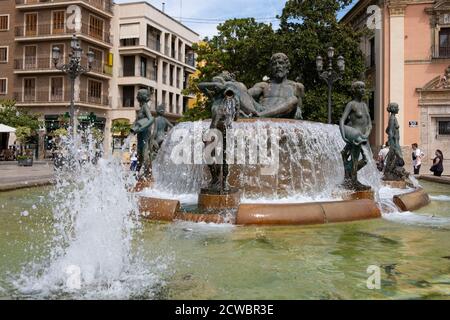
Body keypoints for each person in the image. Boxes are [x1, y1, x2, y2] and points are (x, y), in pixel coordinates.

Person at [248, 53, 305, 119]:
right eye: (274, 64)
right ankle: (260, 115)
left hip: (283, 115)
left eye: (281, 63)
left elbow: (298, 108)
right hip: (261, 110)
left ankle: (259, 116)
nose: (278, 66)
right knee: (240, 87)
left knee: (294, 100)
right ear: (272, 68)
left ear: (287, 66)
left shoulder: (296, 86)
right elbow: (246, 94)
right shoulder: (264, 85)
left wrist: (298, 109)